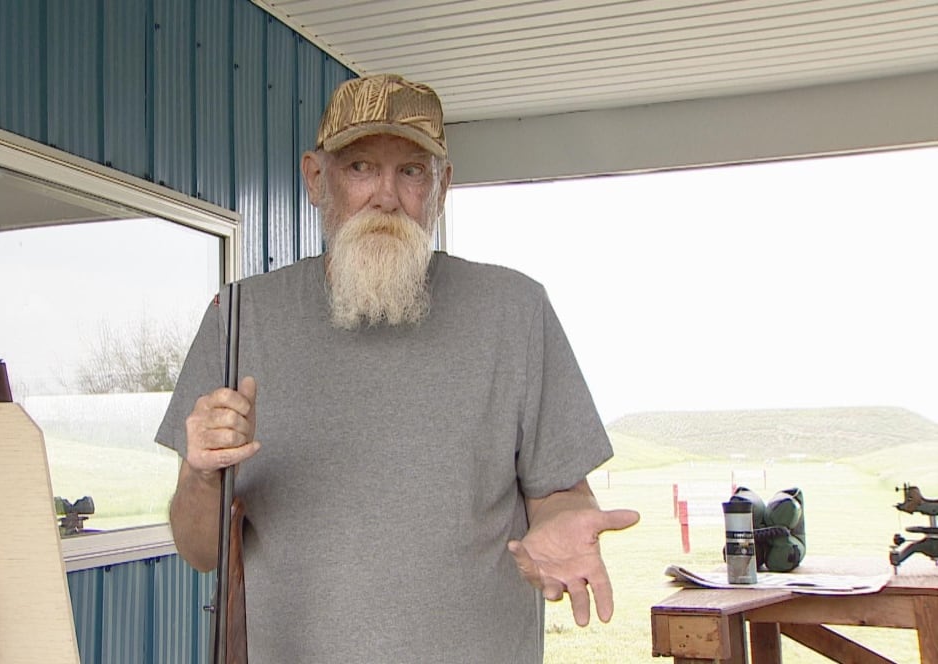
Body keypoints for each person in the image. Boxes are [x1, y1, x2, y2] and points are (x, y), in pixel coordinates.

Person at [157, 73, 640, 663]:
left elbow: (561, 493)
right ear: (316, 178)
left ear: (441, 187)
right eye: (360, 166)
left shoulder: (515, 311)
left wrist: (563, 521)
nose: (385, 195)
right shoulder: (238, 319)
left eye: (411, 171)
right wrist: (201, 476)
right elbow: (199, 549)